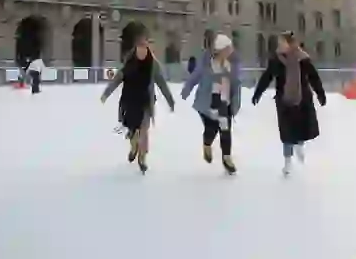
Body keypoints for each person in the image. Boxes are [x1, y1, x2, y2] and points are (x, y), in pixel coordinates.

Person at [252, 31, 326, 176]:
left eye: (282, 43)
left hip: (302, 98)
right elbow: (267, 76)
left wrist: (320, 93)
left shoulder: (303, 59)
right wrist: (258, 93)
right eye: (279, 43)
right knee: (286, 132)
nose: (280, 46)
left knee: (300, 128)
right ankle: (287, 163)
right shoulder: (276, 60)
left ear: (290, 43)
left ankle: (299, 145)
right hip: (284, 99)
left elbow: (313, 77)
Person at [101, 31, 175, 174]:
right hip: (130, 102)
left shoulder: (153, 65)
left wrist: (170, 101)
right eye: (140, 47)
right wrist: (106, 94)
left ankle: (142, 158)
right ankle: (134, 146)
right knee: (133, 131)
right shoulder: (129, 63)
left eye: (144, 47)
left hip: (146, 102)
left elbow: (162, 84)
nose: (142, 50)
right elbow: (117, 79)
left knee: (144, 131)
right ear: (136, 49)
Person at [181, 34, 241, 174]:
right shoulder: (207, 64)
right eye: (228, 48)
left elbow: (236, 84)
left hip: (224, 103)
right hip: (208, 103)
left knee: (225, 130)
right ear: (221, 50)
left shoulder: (232, 65)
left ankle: (227, 158)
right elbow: (195, 76)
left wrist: (236, 103)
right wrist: (186, 89)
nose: (231, 50)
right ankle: (207, 143)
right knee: (212, 130)